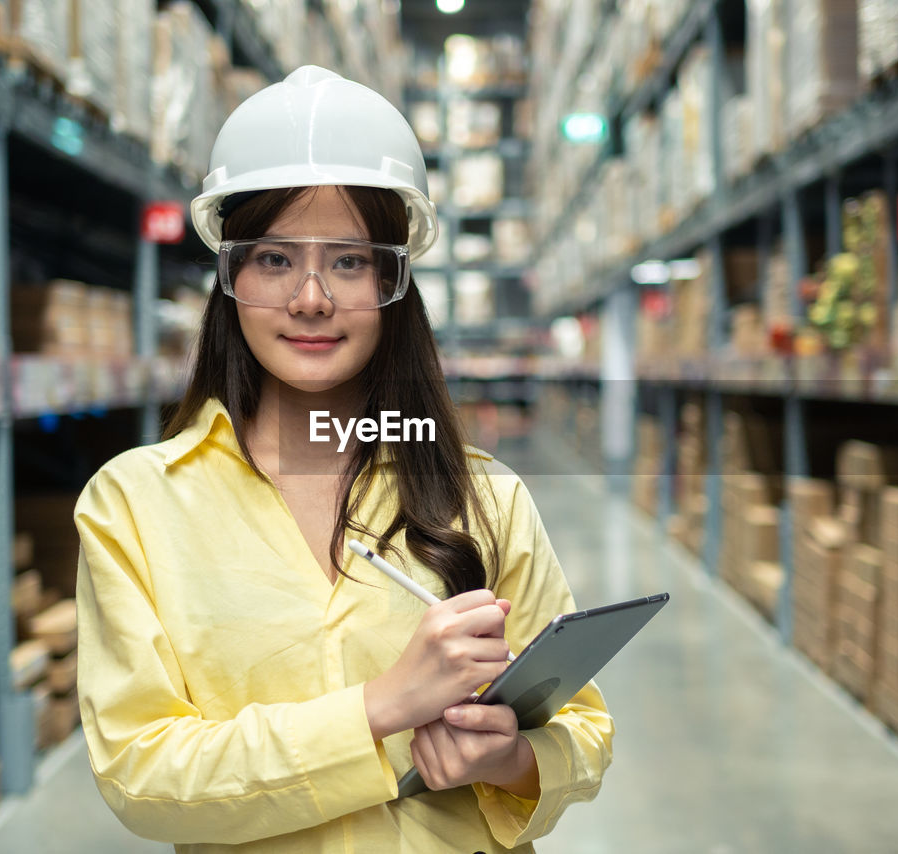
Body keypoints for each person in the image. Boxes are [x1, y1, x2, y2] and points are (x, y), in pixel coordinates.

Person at [74, 65, 612, 853]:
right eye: (275, 259)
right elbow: (141, 774)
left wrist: (514, 757)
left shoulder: (484, 495)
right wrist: (379, 708)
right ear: (230, 279)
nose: (313, 298)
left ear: (396, 280)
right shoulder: (136, 504)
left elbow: (586, 730)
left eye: (350, 261)